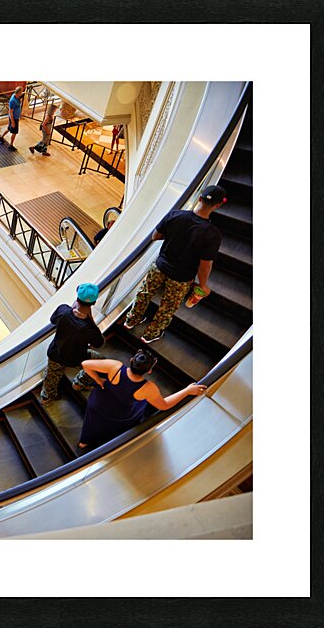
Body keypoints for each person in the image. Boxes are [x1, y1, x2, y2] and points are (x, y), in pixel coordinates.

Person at [123, 185, 226, 343]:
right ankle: (150, 334)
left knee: (144, 294)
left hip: (159, 267)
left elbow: (155, 236)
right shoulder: (213, 234)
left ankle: (131, 320)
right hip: (181, 277)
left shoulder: (175, 214)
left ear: (199, 198)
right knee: (167, 307)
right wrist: (203, 284)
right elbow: (205, 264)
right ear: (217, 205)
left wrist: (175, 236)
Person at [78, 350, 207, 450]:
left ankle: (84, 442)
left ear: (131, 360)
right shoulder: (147, 388)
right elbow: (164, 405)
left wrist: (98, 380)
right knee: (138, 408)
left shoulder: (115, 366)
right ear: (149, 371)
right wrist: (188, 391)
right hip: (118, 414)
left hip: (98, 403)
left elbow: (85, 364)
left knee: (92, 422)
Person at [40, 283, 105, 404]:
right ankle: (80, 383)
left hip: (55, 353)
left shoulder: (63, 310)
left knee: (51, 373)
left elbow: (53, 320)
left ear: (77, 298)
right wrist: (90, 320)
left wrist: (71, 309)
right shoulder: (89, 329)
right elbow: (99, 343)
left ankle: (47, 396)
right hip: (75, 359)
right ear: (93, 303)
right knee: (99, 360)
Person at [0, 85, 24, 151]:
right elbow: (10, 112)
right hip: (14, 118)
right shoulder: (13, 101)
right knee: (14, 132)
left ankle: (1, 137)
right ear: (18, 92)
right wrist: (13, 122)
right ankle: (11, 145)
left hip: (16, 117)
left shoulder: (17, 97)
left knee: (9, 128)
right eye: (21, 92)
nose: (22, 93)